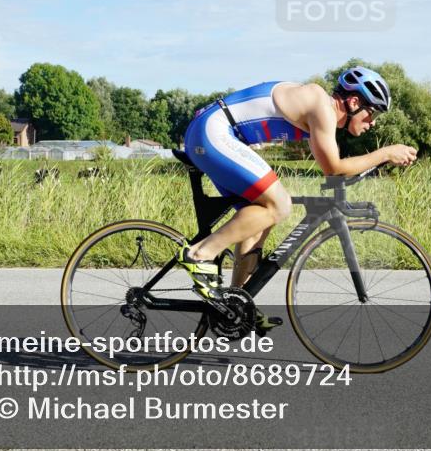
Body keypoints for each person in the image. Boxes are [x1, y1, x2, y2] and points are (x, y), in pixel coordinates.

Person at [177, 66, 418, 330]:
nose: (373, 123)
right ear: (353, 102)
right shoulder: (321, 105)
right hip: (213, 131)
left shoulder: (322, 113)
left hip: (216, 132)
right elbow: (334, 168)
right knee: (279, 204)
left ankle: (235, 304)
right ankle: (199, 255)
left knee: (260, 216)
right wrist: (385, 153)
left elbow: (334, 169)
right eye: (372, 113)